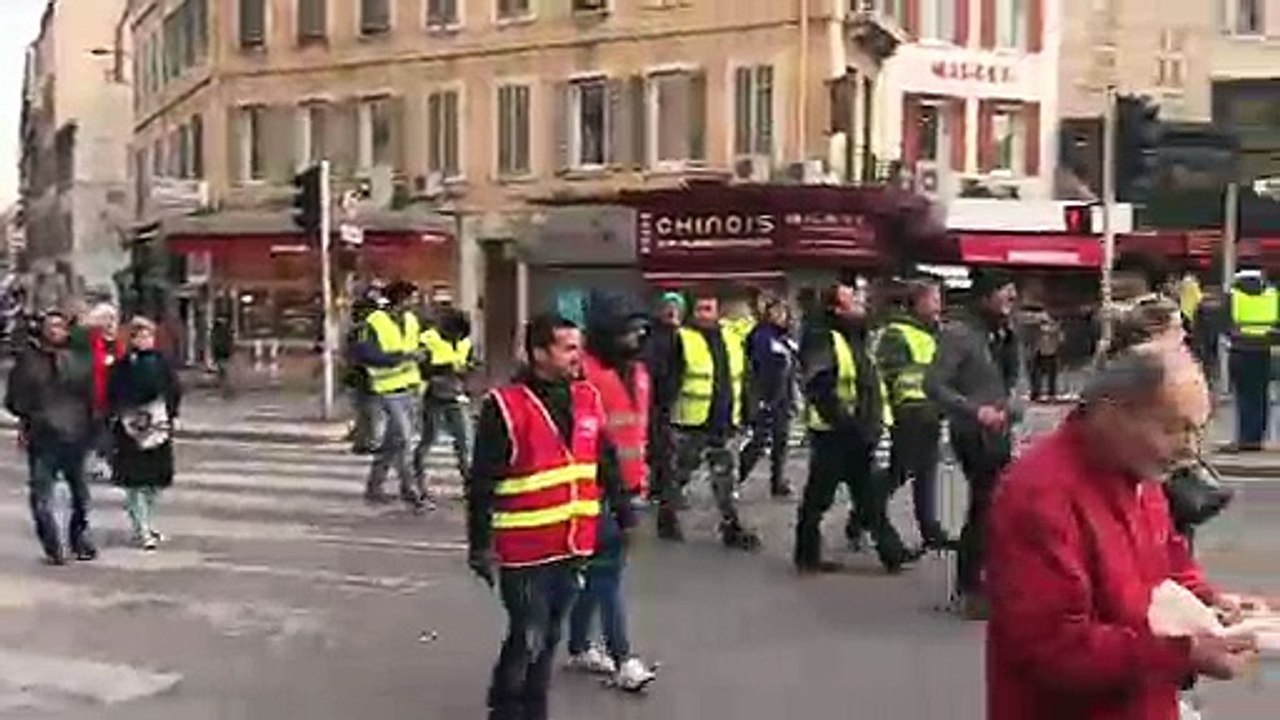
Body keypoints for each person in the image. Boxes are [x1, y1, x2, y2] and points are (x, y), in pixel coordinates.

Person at [985, 344, 1259, 720]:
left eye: (1198, 430)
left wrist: (1213, 605)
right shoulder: (1039, 493)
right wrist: (1185, 652)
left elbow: (1169, 562)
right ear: (1115, 412)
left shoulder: (1139, 472)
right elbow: (1053, 648)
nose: (1190, 449)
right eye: (1174, 427)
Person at [466, 313, 633, 720]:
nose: (578, 357)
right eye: (568, 348)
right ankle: (506, 709)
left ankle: (533, 708)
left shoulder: (585, 397)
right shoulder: (504, 407)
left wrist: (623, 506)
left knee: (550, 635)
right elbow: (482, 483)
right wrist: (480, 546)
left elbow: (602, 457)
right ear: (540, 353)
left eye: (579, 347)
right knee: (529, 634)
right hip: (524, 550)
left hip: (573, 542)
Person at [569, 293, 657, 691]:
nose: (636, 337)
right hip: (593, 487)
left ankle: (578, 644)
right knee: (608, 570)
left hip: (628, 483)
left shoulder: (637, 373)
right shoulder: (581, 376)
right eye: (628, 331)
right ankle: (623, 657)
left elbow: (639, 430)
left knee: (600, 570)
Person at [796, 281, 911, 573]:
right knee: (819, 497)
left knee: (868, 495)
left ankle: (892, 552)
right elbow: (819, 386)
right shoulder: (822, 337)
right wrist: (846, 424)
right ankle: (807, 554)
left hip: (858, 431)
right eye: (853, 300)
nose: (861, 303)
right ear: (836, 308)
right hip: (834, 432)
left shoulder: (857, 336)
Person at [926, 269, 1020, 617]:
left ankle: (985, 580)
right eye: (1003, 292)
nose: (1011, 297)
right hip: (972, 433)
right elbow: (934, 384)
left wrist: (1012, 406)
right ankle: (971, 586)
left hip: (1000, 430)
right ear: (984, 297)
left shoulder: (1006, 332)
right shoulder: (959, 335)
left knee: (995, 506)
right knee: (984, 506)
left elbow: (1013, 379)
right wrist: (974, 411)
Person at [654, 287, 759, 549]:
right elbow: (667, 379)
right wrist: (663, 413)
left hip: (722, 421)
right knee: (680, 474)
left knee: (725, 478)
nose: (705, 315)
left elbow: (742, 377)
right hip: (690, 423)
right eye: (700, 309)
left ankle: (731, 526)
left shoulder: (731, 338)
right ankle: (667, 517)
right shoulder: (682, 339)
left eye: (709, 309)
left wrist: (748, 409)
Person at [4, 310, 98, 564]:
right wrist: (31, 417)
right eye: (50, 325)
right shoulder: (29, 361)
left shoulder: (79, 359)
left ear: (67, 331)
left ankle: (78, 537)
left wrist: (95, 431)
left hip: (76, 433)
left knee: (80, 495)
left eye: (60, 325)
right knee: (42, 494)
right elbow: (14, 399)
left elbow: (90, 397)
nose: (55, 330)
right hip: (43, 435)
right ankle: (53, 545)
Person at [877, 279, 951, 549]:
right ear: (917, 303)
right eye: (933, 300)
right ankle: (865, 512)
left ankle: (931, 530)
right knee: (900, 471)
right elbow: (889, 373)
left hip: (931, 412)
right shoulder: (897, 333)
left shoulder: (934, 333)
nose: (938, 306)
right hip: (909, 412)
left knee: (927, 473)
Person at [354, 280, 429, 511]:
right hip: (387, 389)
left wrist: (421, 356)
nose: (415, 303)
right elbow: (367, 355)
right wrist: (404, 357)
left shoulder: (412, 321)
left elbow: (417, 345)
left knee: (393, 441)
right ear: (401, 299)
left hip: (411, 388)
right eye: (412, 298)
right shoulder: (374, 322)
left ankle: (374, 486)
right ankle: (411, 493)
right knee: (405, 441)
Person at [108, 317, 181, 551]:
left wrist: (172, 414)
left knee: (154, 482)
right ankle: (141, 527)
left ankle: (147, 523)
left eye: (149, 335)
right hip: (132, 430)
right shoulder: (123, 366)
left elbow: (173, 390)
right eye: (140, 336)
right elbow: (115, 393)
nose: (145, 340)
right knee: (135, 482)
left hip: (158, 428)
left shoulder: (162, 363)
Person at [738, 296, 798, 498]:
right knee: (759, 441)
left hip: (784, 398)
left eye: (783, 312)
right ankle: (737, 476)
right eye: (776, 312)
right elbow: (762, 368)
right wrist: (762, 399)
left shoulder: (786, 338)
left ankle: (778, 482)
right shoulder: (762, 336)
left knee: (781, 441)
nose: (781, 316)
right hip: (766, 396)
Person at [415, 306, 475, 483]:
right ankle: (417, 477)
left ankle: (469, 481)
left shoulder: (465, 342)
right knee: (429, 439)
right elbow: (421, 369)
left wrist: (468, 370)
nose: (457, 338)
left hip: (456, 394)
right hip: (432, 395)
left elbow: (469, 362)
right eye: (454, 334)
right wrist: (445, 369)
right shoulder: (427, 339)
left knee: (465, 441)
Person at [1227, 268, 1276, 451]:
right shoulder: (1272, 295)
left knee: (1243, 396)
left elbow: (1224, 321)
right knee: (1261, 395)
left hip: (1240, 348)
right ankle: (1256, 438)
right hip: (1264, 349)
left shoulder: (1234, 295)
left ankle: (1244, 438)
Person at [644, 291, 685, 504]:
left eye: (675, 308)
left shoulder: (682, 337)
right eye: (667, 307)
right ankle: (662, 489)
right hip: (655, 399)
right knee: (661, 446)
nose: (671, 312)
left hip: (671, 399)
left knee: (667, 447)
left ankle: (664, 488)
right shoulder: (652, 335)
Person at [1029, 313, 1062, 401]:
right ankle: (1035, 392)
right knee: (1036, 374)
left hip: (1051, 354)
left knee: (1051, 376)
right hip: (1039, 354)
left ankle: (1051, 393)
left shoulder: (1055, 330)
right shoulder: (1038, 330)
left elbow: (1059, 339)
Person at [210, 315, 234, 398]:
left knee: (222, 371)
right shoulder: (225, 331)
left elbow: (214, 344)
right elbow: (229, 342)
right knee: (224, 371)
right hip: (223, 354)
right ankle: (225, 388)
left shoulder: (216, 332)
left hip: (220, 354)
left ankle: (224, 388)